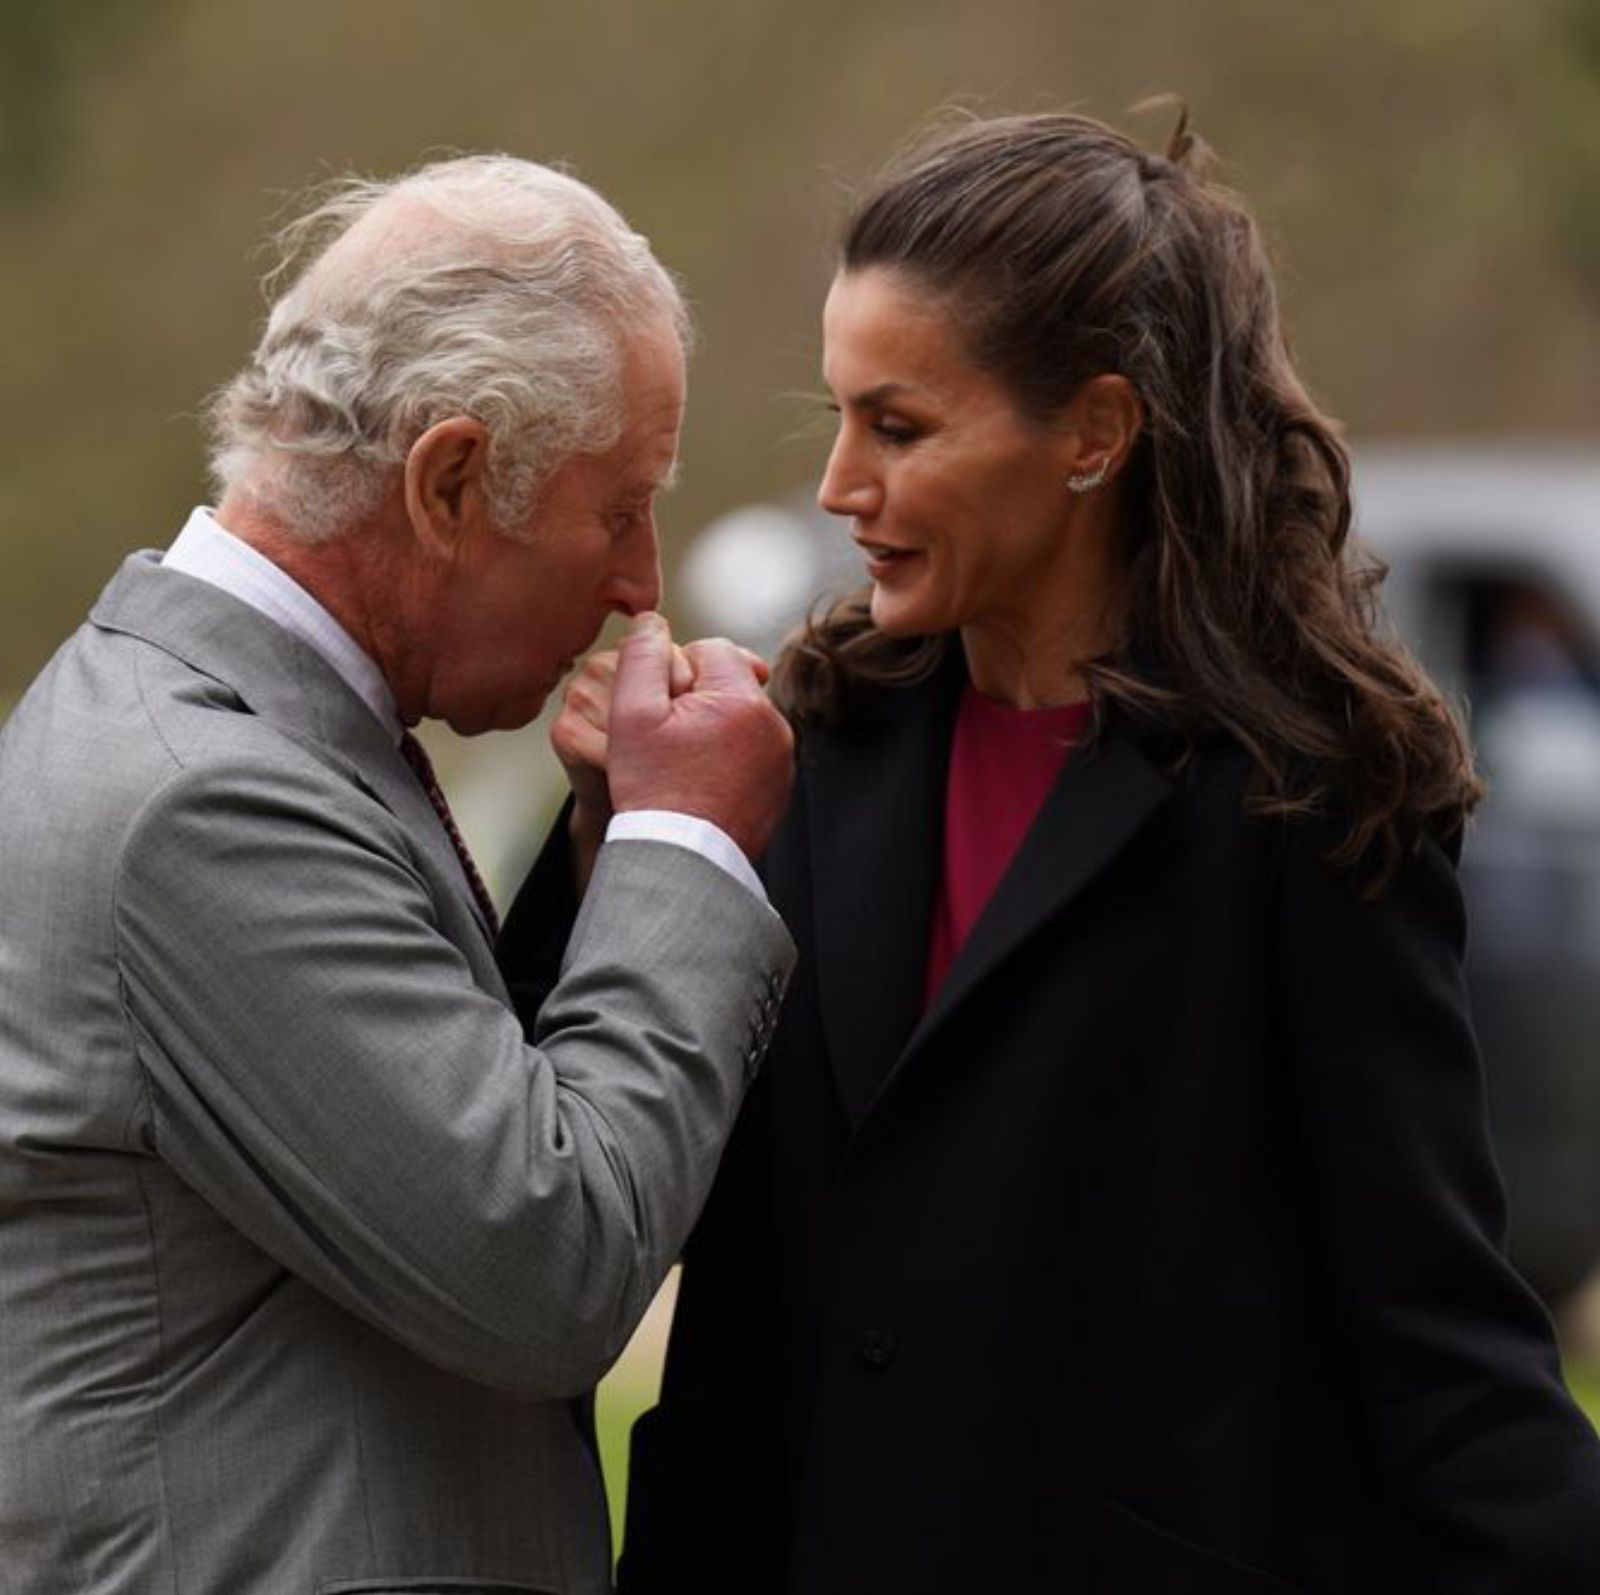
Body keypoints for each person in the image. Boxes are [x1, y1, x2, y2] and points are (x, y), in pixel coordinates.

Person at [516, 113, 1600, 1592]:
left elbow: (1435, 1341)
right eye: (838, 418)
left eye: (897, 427)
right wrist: (622, 836)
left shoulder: (1303, 801)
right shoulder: (813, 749)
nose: (839, 485)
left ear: (1094, 432)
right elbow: (614, 1176)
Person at [0, 156, 797, 1595]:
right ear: (446, 482)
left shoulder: (225, 739)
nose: (639, 581)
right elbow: (546, 1266)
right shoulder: (205, 800)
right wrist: (691, 846)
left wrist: (616, 850)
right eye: (617, 508)